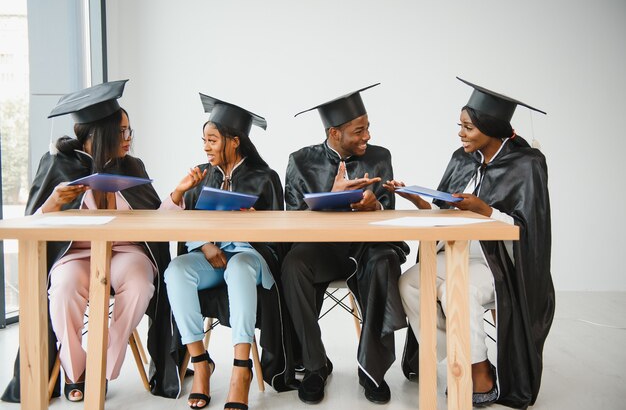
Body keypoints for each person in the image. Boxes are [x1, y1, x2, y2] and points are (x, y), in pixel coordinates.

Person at [1, 80, 202, 403]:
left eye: (129, 131)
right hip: (76, 256)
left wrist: (177, 193)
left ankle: (104, 362)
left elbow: (153, 220)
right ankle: (75, 370)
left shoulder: (132, 167)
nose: (128, 139)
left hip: (125, 252)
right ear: (100, 134)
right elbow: (31, 224)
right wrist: (53, 203)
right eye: (122, 132)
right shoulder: (56, 165)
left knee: (140, 284)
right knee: (63, 289)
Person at [388, 77, 554, 408]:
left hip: (501, 265)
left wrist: (484, 209)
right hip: (456, 252)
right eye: (460, 126)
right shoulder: (462, 158)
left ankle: (478, 370)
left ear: (490, 128)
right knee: (409, 283)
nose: (461, 133)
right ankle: (456, 355)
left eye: (468, 127)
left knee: (456, 290)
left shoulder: (527, 164)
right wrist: (415, 199)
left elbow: (528, 230)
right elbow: (442, 210)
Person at [282, 84, 409, 404]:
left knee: (385, 261)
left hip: (366, 249)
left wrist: (374, 207)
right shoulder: (300, 161)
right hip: (321, 249)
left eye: (368, 127)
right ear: (335, 133)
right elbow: (293, 220)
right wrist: (330, 198)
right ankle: (314, 366)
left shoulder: (380, 157)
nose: (367, 135)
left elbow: (388, 213)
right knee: (294, 264)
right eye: (359, 130)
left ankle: (371, 370)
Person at [163, 93, 285, 410]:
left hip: (250, 257)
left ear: (234, 141)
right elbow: (176, 224)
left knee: (240, 267)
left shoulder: (264, 177)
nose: (206, 147)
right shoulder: (201, 176)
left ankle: (241, 371)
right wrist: (204, 243)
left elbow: (280, 237)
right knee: (176, 271)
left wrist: (256, 224)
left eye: (212, 140)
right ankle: (201, 363)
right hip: (210, 258)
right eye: (204, 140)